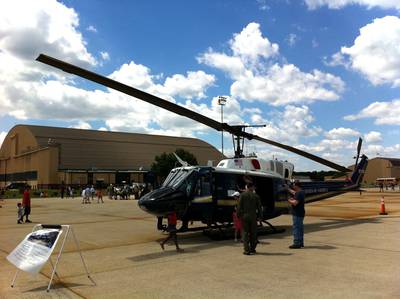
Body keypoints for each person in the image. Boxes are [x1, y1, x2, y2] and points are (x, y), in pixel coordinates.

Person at [237, 183, 262, 255]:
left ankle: (246, 250)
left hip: (244, 216)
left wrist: (238, 215)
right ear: (251, 187)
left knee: (245, 233)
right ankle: (252, 249)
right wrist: (260, 217)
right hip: (253, 217)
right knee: (253, 233)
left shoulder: (242, 195)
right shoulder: (256, 196)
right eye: (253, 187)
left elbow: (239, 206)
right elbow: (259, 208)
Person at [287, 181, 305, 249]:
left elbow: (295, 203)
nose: (293, 186)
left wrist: (289, 200)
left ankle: (296, 243)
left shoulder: (298, 193)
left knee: (296, 228)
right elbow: (294, 193)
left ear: (297, 186)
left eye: (294, 185)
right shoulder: (301, 192)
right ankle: (300, 242)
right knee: (300, 228)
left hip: (297, 213)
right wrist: (287, 188)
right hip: (301, 213)